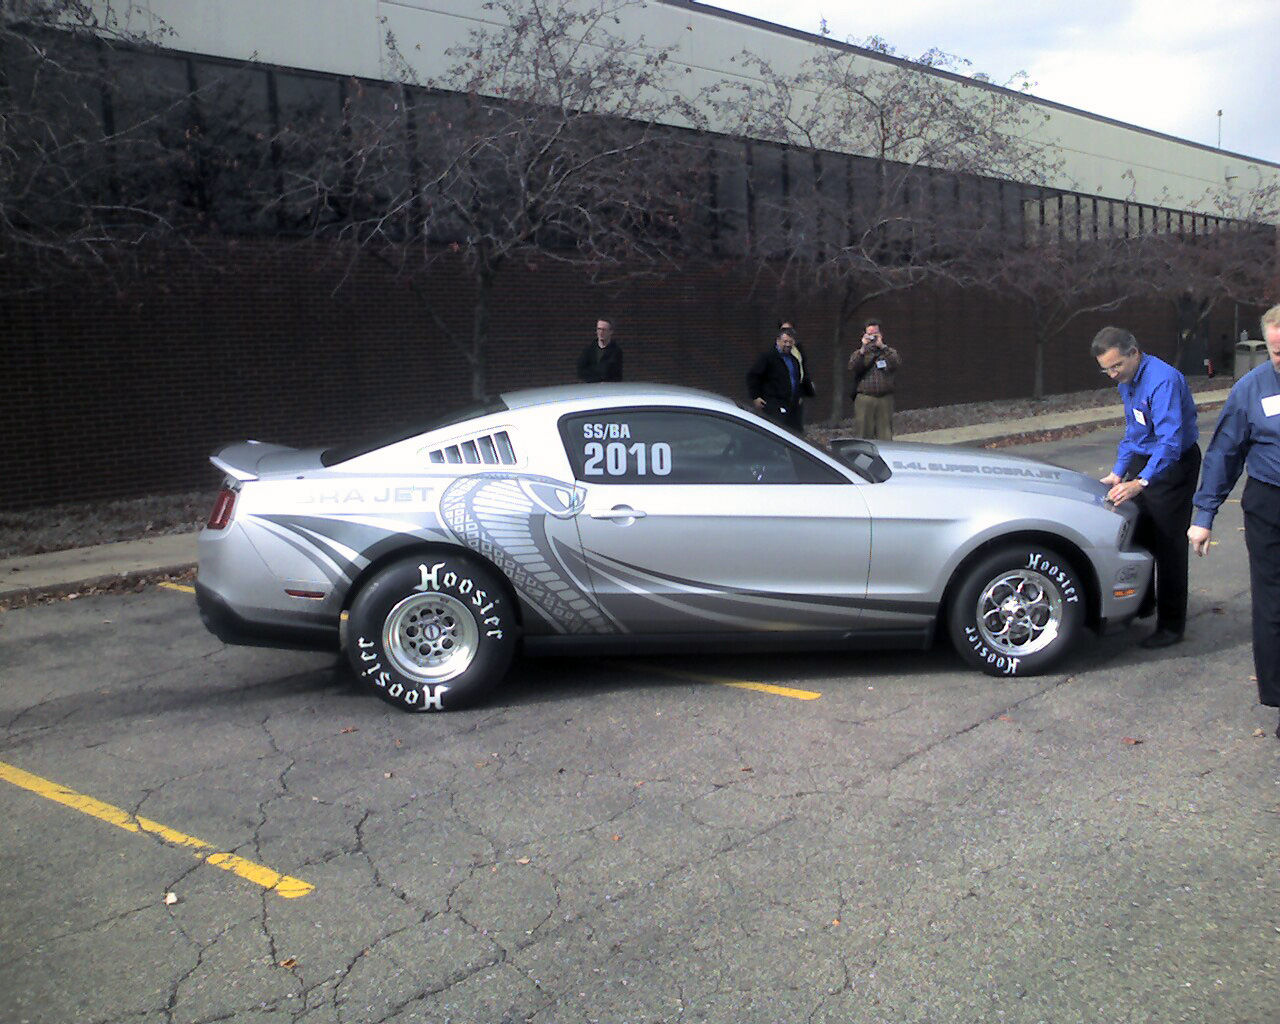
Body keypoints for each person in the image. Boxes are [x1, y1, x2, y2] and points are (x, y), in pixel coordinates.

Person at [1187, 304, 1280, 738]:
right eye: (1278, 353)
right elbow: (1225, 452)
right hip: (1270, 503)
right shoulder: (1251, 389)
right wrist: (1204, 515)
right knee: (1273, 604)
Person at [1092, 326, 1201, 649]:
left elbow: (1170, 441)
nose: (1112, 374)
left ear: (1134, 352)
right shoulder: (1128, 382)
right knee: (1137, 531)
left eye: (1116, 366)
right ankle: (1144, 602)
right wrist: (1118, 472)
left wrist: (1141, 482)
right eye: (1106, 369)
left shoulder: (1162, 380)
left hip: (1174, 461)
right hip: (1147, 457)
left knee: (1168, 543)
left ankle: (1171, 625)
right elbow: (1134, 431)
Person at [747, 324, 813, 432]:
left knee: (796, 436)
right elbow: (753, 376)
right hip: (775, 405)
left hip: (792, 407)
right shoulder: (768, 357)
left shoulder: (794, 360)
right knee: (778, 434)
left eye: (790, 342)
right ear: (778, 341)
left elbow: (796, 381)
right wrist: (756, 396)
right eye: (785, 342)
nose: (787, 345)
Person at [848, 318, 900, 440]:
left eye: (875, 334)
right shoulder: (859, 354)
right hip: (865, 398)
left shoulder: (888, 352)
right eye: (869, 335)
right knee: (864, 434)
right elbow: (852, 367)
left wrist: (882, 346)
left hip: (885, 399)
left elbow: (897, 363)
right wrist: (863, 348)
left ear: (881, 334)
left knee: (885, 435)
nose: (872, 338)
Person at [577, 317, 623, 382]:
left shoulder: (616, 351)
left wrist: (592, 369)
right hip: (591, 387)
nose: (601, 332)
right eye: (599, 329)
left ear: (611, 332)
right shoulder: (588, 350)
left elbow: (612, 373)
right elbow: (581, 371)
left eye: (604, 330)